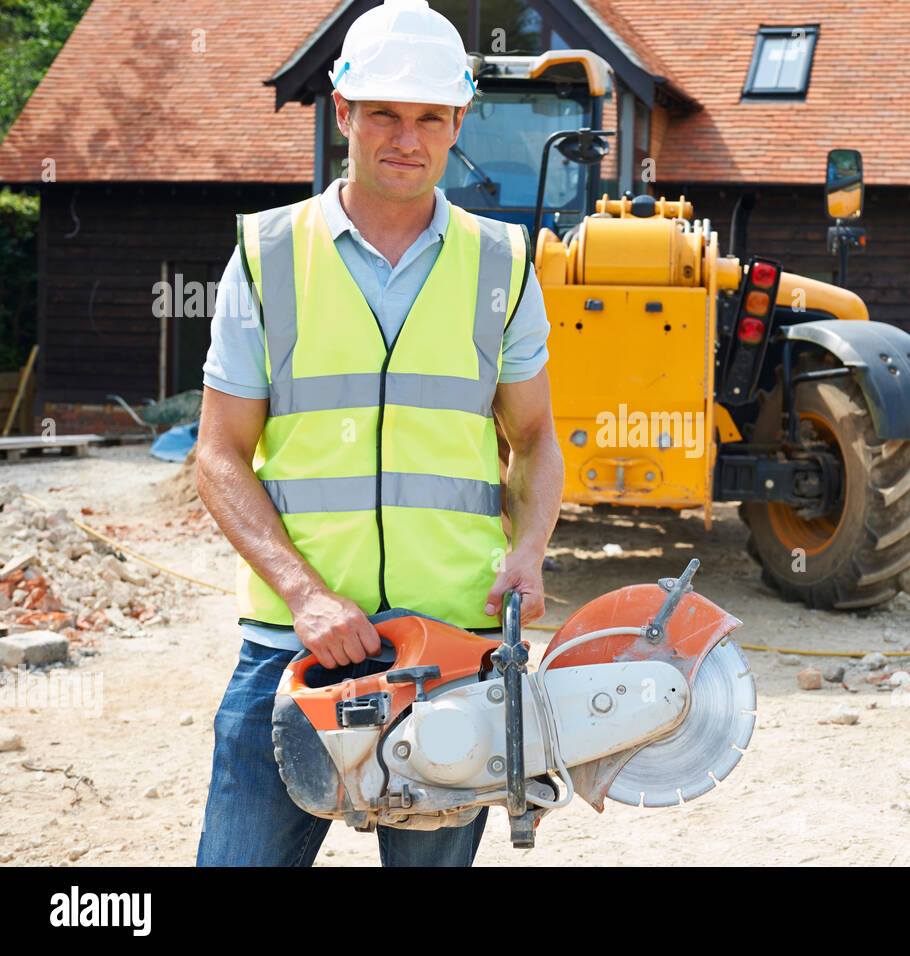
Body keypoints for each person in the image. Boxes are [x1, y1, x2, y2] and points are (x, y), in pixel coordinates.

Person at [194, 0, 563, 867]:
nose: (407, 136)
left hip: (451, 649)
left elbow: (538, 437)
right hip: (294, 646)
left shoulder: (503, 264)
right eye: (385, 113)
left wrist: (533, 548)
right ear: (343, 111)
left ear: (458, 121)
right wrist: (305, 595)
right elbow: (218, 453)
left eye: (430, 115)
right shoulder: (268, 255)